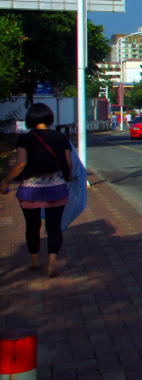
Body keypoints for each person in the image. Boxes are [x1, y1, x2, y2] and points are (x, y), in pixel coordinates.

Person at [0, 103, 73, 277]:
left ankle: (34, 261)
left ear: (30, 119)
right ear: (49, 118)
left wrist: (6, 182)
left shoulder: (25, 139)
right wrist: (68, 176)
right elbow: (68, 164)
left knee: (32, 226)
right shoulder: (61, 138)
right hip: (56, 186)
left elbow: (21, 164)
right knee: (54, 226)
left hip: (31, 189)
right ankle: (52, 264)